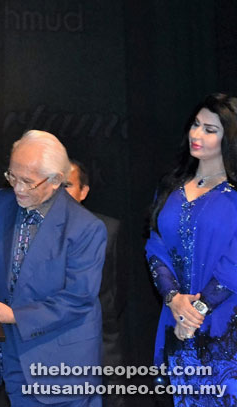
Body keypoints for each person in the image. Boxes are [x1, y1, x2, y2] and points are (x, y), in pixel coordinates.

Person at [0, 130, 106, 406]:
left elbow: (78, 299)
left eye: (28, 182)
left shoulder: (85, 228)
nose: (18, 188)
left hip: (62, 365)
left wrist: (15, 315)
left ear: (56, 180)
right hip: (13, 356)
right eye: (12, 176)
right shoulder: (3, 203)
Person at [146, 93, 237, 404]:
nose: (197, 135)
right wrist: (174, 300)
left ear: (229, 138)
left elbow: (233, 264)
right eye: (195, 125)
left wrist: (195, 312)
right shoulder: (171, 186)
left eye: (210, 129)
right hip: (177, 319)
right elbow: (155, 247)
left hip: (225, 325)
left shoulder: (234, 194)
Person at [65, 159, 126, 407]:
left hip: (100, 340)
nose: (60, 192)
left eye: (67, 185)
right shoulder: (30, 231)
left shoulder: (108, 229)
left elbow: (119, 288)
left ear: (83, 192)